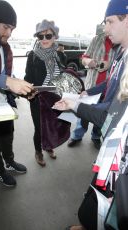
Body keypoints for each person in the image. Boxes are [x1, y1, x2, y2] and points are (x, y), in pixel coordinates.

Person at [53, 0, 128, 229]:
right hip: (112, 141)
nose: (105, 29)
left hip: (120, 153)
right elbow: (109, 89)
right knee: (98, 196)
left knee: (112, 206)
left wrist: (75, 106)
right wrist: (88, 91)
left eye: (110, 22)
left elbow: (111, 117)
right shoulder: (120, 54)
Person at [0, 0, 33, 187]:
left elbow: (6, 74)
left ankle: (9, 162)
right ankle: (0, 171)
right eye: (6, 27)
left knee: (8, 137)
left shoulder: (6, 47)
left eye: (12, 29)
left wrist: (21, 88)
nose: (9, 33)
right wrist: (6, 81)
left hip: (4, 103)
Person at [67, 28, 116, 150]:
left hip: (107, 90)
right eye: (106, 23)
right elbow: (83, 58)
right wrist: (89, 61)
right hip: (91, 85)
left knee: (101, 115)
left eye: (111, 22)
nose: (107, 27)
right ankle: (77, 136)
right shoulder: (96, 39)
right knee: (83, 113)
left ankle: (96, 137)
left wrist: (109, 64)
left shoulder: (120, 42)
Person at [24, 19, 63, 167]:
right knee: (39, 127)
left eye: (48, 36)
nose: (44, 39)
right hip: (38, 99)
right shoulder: (33, 56)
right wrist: (28, 92)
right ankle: (38, 151)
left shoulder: (59, 55)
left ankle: (48, 146)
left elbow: (62, 76)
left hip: (54, 99)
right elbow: (27, 79)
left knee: (51, 125)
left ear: (55, 36)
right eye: (40, 36)